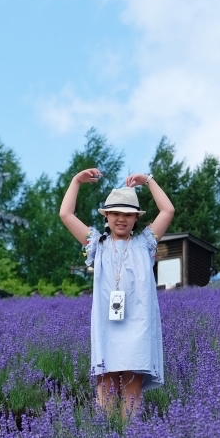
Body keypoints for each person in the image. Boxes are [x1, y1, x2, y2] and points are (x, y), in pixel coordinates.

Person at [59, 168, 174, 419]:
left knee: (133, 383)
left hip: (138, 324)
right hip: (107, 324)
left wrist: (149, 181)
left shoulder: (145, 243)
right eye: (116, 213)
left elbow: (168, 211)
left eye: (128, 214)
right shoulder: (96, 244)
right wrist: (76, 181)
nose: (121, 219)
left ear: (136, 219)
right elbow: (65, 214)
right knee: (106, 382)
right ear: (107, 216)